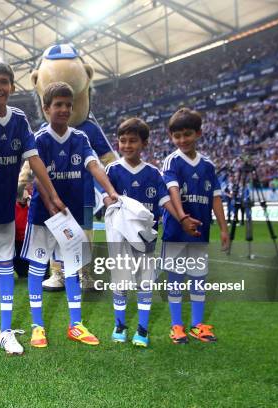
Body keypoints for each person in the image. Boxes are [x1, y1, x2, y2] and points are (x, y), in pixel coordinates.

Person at [0, 62, 65, 360]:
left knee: (5, 268)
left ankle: (5, 332)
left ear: (12, 87)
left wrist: (53, 195)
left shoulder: (19, 119)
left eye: (3, 82)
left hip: (3, 207)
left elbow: (35, 160)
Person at [21, 81, 119, 348]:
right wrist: (51, 201)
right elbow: (36, 176)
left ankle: (75, 325)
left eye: (68, 105)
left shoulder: (80, 138)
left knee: (73, 269)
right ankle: (37, 326)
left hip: (70, 216)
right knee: (38, 268)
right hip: (43, 215)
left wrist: (111, 190)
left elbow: (94, 165)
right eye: (58, 105)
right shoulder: (39, 139)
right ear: (46, 108)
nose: (64, 109)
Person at [104, 118, 199, 347]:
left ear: (144, 143)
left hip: (146, 238)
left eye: (133, 141)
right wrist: (111, 202)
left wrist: (182, 219)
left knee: (144, 282)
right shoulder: (113, 170)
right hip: (121, 238)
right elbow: (106, 198)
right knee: (120, 283)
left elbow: (165, 201)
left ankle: (142, 330)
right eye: (123, 141)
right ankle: (119, 326)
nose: (127, 145)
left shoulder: (154, 173)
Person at [160, 107, 230, 344]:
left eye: (187, 134)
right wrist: (182, 218)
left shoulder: (208, 165)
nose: (182, 140)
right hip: (176, 231)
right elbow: (172, 190)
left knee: (199, 278)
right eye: (177, 136)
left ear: (198, 133)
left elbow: (216, 197)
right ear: (171, 137)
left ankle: (198, 325)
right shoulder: (171, 161)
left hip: (200, 232)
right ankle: (176, 326)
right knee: (176, 277)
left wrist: (223, 228)